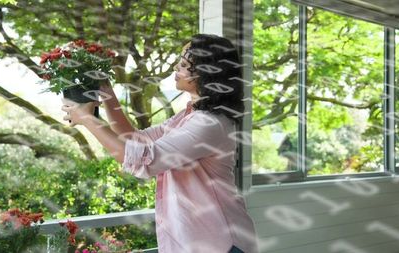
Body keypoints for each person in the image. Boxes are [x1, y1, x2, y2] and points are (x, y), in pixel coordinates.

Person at [61, 34, 259, 253]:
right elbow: (133, 138)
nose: (176, 66)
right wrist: (106, 90)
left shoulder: (209, 124)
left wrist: (88, 119)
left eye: (184, 64)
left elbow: (145, 158)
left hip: (221, 244)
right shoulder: (189, 116)